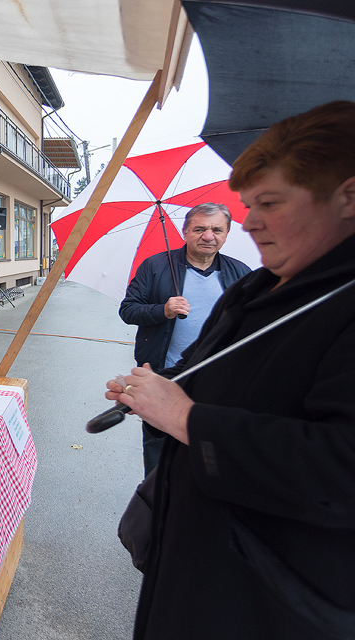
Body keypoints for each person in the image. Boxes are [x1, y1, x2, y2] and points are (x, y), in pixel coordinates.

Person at [106, 101, 355, 639]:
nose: (248, 222)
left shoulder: (328, 296)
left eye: (269, 202)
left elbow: (341, 468)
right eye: (246, 205)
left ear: (348, 197)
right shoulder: (260, 285)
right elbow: (216, 372)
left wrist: (188, 418)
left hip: (267, 598)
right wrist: (158, 391)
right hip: (196, 561)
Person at [119, 203, 251, 475]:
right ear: (185, 231)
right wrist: (162, 310)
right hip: (165, 372)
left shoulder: (241, 274)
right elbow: (128, 309)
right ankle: (154, 499)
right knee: (159, 441)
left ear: (226, 233)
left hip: (220, 376)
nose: (208, 235)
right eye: (199, 229)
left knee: (209, 441)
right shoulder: (155, 266)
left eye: (217, 229)